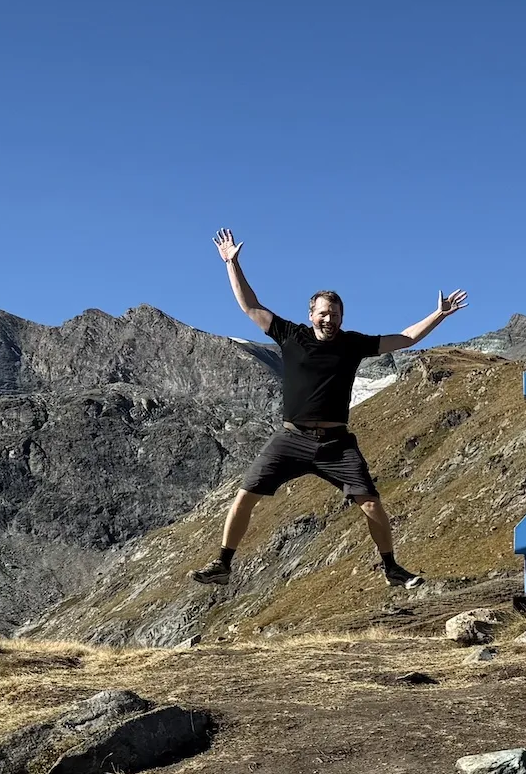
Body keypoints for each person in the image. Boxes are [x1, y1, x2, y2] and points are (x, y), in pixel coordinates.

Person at [191, 228, 466, 588]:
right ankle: (223, 564)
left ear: (341, 317)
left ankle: (392, 568)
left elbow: (407, 338)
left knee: (370, 502)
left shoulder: (353, 344)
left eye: (335, 314)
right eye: (324, 313)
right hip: (291, 438)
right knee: (246, 494)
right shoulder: (290, 335)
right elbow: (250, 306)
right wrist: (232, 264)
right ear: (311, 315)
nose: (329, 319)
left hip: (336, 443)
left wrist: (439, 315)